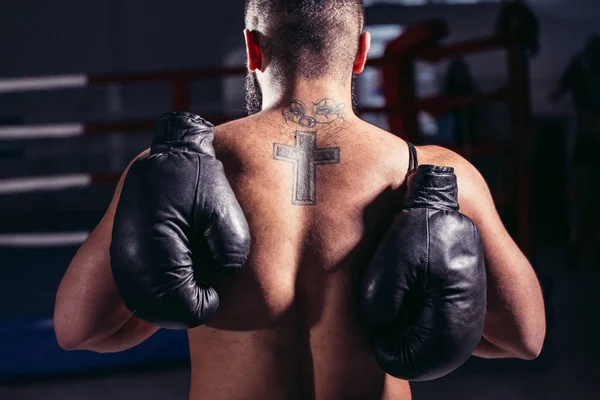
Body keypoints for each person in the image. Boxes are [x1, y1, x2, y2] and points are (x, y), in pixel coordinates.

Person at [54, 1, 546, 399]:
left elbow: (79, 330)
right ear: (360, 53)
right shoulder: (437, 173)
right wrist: (438, 326)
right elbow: (525, 338)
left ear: (252, 49)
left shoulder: (177, 169)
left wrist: (168, 296)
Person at [551, 34, 600, 268]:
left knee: (581, 197)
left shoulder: (581, 66)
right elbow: (556, 93)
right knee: (582, 197)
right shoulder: (581, 66)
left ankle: (579, 246)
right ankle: (579, 246)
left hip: (586, 136)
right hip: (586, 137)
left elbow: (556, 94)